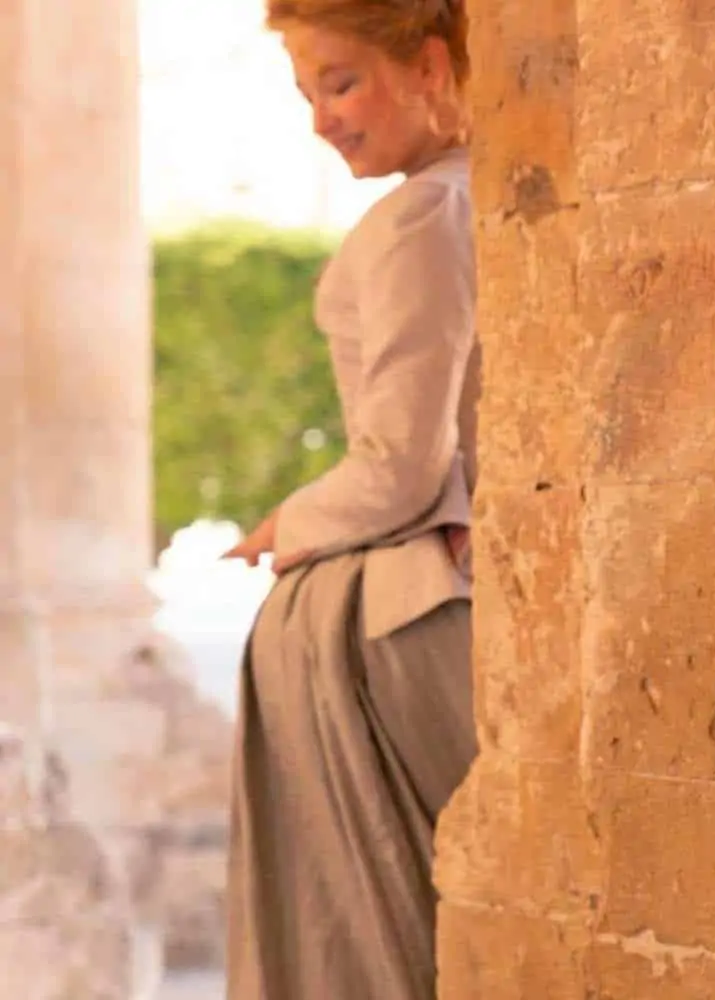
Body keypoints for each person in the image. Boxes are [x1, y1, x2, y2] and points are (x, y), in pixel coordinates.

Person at [221, 2, 480, 997]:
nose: (322, 118)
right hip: (419, 599)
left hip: (394, 616)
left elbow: (402, 465)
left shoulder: (424, 216)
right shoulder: (469, 200)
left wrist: (287, 525)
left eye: (341, 83)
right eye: (308, 94)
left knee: (376, 946)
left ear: (429, 66)